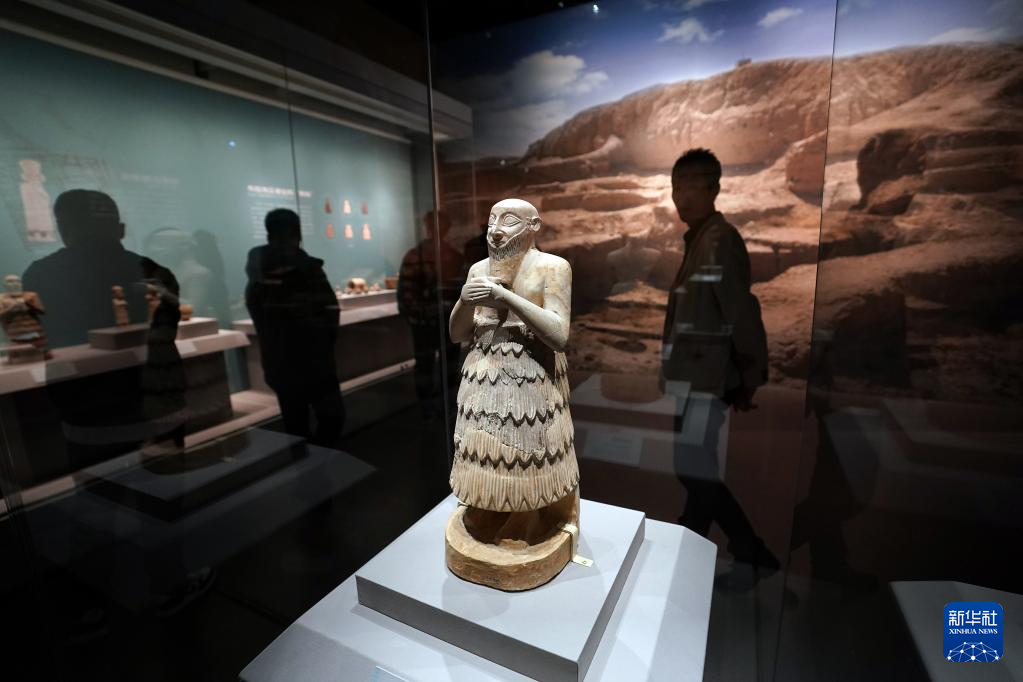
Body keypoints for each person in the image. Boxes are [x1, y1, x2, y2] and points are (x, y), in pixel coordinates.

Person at [661, 148, 778, 590]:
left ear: (714, 189)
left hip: (706, 381)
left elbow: (740, 313)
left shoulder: (718, 240)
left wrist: (750, 375)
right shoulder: (701, 239)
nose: (684, 196)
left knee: (693, 467)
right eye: (678, 187)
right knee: (694, 466)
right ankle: (726, 550)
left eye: (694, 185)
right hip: (696, 378)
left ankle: (739, 550)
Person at [245, 208, 344, 447]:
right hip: (314, 359)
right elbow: (330, 311)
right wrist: (323, 344)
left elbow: (259, 314)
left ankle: (306, 463)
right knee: (331, 417)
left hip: (279, 359)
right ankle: (322, 459)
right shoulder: (307, 269)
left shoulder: (259, 274)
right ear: (296, 234)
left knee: (295, 424)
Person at [397, 210, 465, 420]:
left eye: (441, 225)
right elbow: (406, 293)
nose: (438, 229)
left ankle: (444, 406)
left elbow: (462, 290)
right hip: (428, 322)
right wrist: (417, 315)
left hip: (443, 321)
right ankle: (430, 407)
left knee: (446, 365)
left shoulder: (453, 256)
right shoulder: (416, 256)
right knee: (428, 366)